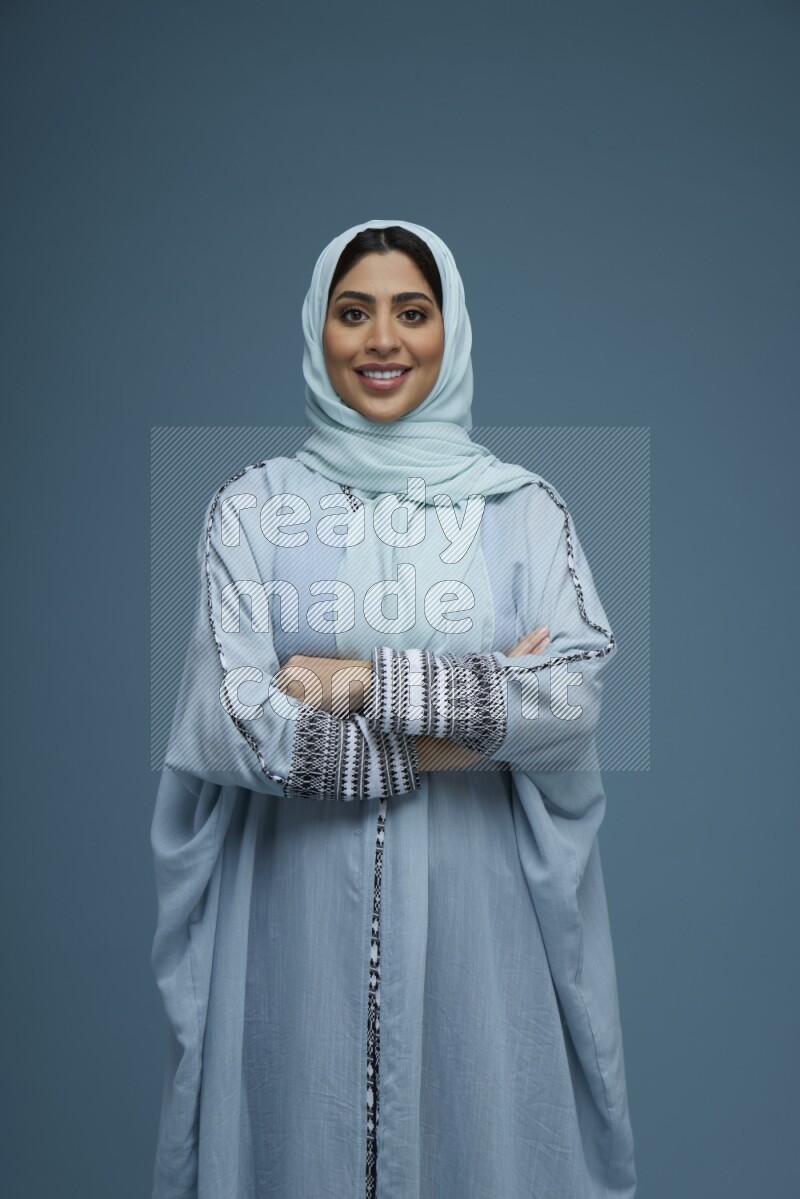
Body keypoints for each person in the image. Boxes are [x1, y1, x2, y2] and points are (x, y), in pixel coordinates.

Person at [149, 219, 637, 1198]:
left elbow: (572, 696)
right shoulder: (249, 508)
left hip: (482, 937)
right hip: (290, 937)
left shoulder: (521, 511)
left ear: (448, 331)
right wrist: (479, 709)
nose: (382, 340)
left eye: (411, 312)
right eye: (352, 312)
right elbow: (239, 721)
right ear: (316, 331)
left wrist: (357, 679)